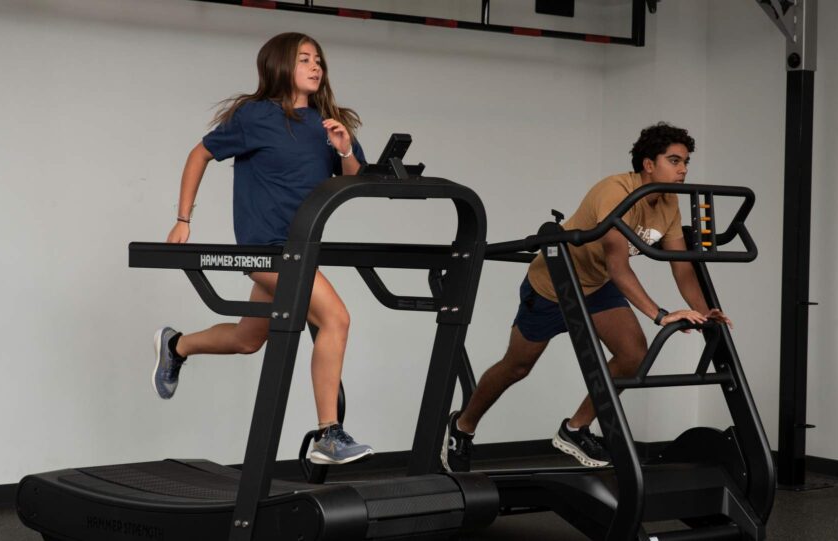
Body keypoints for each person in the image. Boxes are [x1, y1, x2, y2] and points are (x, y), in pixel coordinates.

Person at [441, 123, 732, 472]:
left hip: (596, 287)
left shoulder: (668, 203)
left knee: (633, 354)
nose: (683, 169)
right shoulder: (615, 191)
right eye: (674, 160)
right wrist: (660, 315)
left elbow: (681, 267)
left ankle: (575, 428)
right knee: (517, 366)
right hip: (553, 284)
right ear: (648, 164)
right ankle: (462, 425)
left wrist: (704, 314)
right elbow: (619, 265)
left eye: (686, 161)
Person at [151, 32, 374, 465]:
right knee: (336, 318)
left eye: (318, 60)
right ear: (279, 66)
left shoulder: (328, 123)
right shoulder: (256, 117)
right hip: (266, 247)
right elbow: (200, 154)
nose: (315, 67)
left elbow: (354, 180)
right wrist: (183, 219)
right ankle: (329, 435)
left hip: (299, 247)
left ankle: (176, 346)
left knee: (248, 339)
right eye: (304, 59)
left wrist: (346, 148)